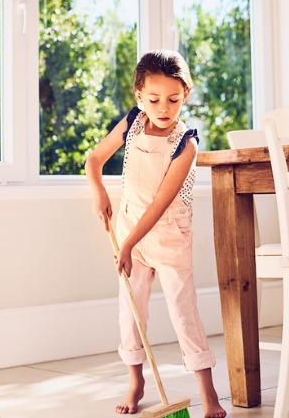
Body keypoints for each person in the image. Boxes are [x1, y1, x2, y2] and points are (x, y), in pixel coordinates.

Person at [86, 49, 226, 418]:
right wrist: (99, 192)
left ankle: (207, 392)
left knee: (184, 312)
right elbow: (93, 159)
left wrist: (129, 245)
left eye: (173, 99)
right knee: (131, 312)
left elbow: (161, 203)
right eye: (153, 99)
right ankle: (136, 382)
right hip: (130, 226)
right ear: (138, 97)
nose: (163, 108)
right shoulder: (132, 122)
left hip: (167, 233)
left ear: (186, 95)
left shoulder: (187, 144)